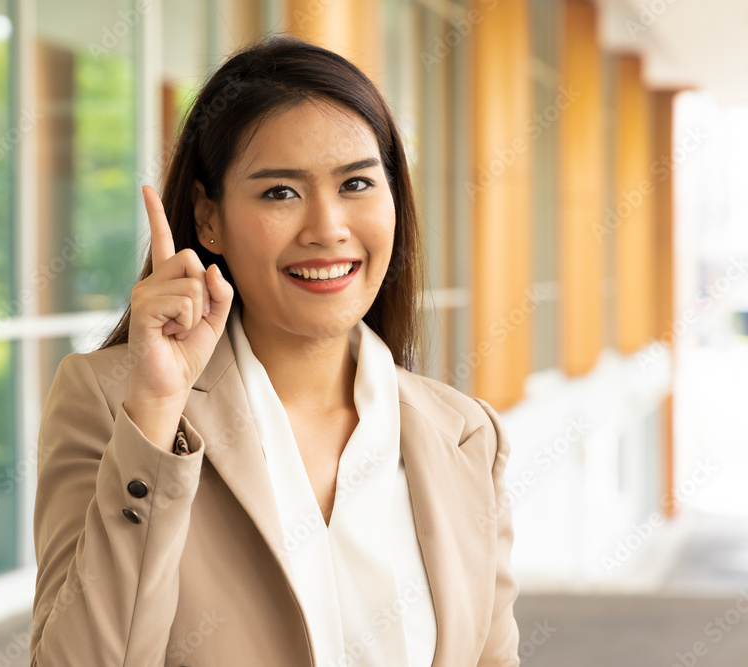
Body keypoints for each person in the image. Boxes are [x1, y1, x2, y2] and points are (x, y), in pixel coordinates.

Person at [29, 35, 519, 667]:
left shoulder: (465, 435)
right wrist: (153, 417)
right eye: (280, 192)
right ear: (208, 220)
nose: (327, 229)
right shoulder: (112, 403)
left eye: (358, 184)